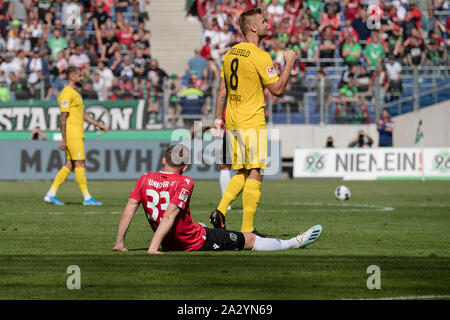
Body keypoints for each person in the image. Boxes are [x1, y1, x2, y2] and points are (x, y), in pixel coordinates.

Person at [113, 145, 323, 254]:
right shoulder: (185, 181)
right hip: (193, 242)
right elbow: (168, 217)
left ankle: (218, 223)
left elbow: (128, 211)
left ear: (163, 160)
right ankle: (292, 243)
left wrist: (120, 243)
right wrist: (152, 249)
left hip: (169, 242)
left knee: (203, 226)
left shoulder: (144, 179)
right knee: (248, 239)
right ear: (185, 166)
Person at [210, 8, 296, 236]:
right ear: (253, 27)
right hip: (252, 122)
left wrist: (218, 121)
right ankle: (248, 229)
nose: (268, 24)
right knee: (256, 172)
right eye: (263, 21)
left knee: (242, 173)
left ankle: (220, 210)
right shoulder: (260, 56)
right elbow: (277, 89)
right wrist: (289, 63)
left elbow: (221, 92)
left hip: (233, 122)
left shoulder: (229, 54)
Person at [44, 66, 108, 206]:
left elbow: (83, 113)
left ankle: (51, 194)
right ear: (72, 77)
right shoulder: (66, 93)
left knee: (70, 164)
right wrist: (64, 138)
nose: (81, 78)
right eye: (79, 76)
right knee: (80, 163)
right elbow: (63, 117)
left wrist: (99, 125)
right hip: (72, 135)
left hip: (77, 134)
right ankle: (87, 198)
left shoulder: (75, 93)